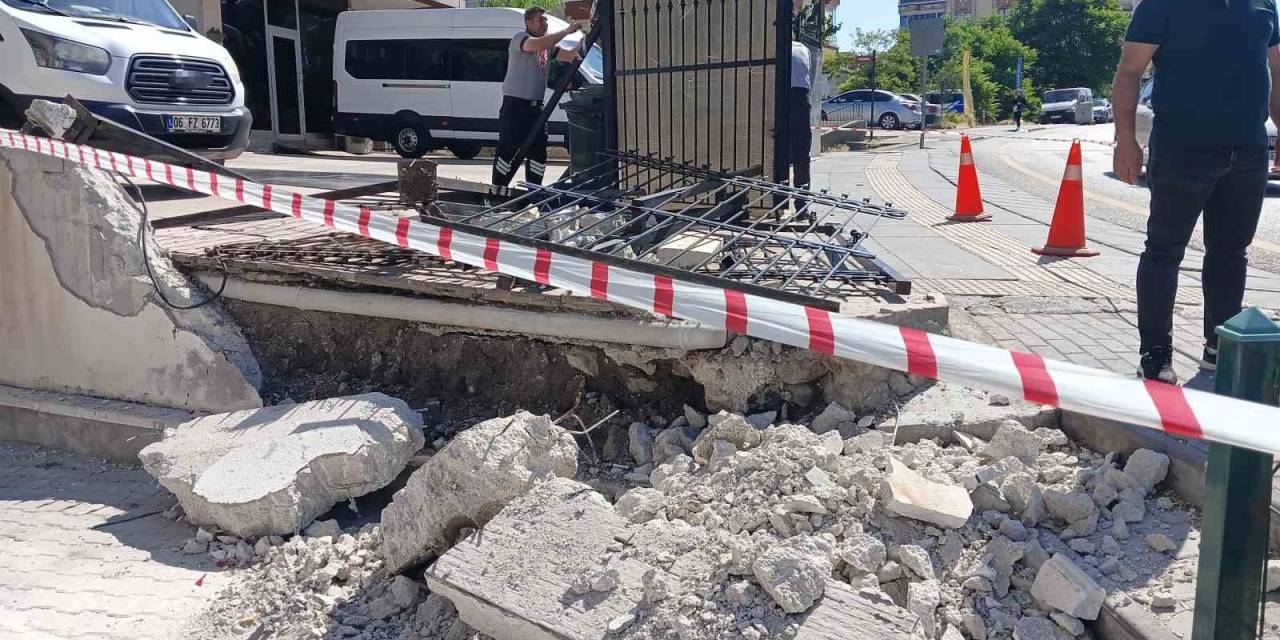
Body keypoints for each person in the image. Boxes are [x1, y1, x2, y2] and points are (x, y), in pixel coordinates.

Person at [1113, 0, 1280, 383]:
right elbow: (1130, 72)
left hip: (1248, 150)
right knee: (1163, 251)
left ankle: (1219, 347)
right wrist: (1126, 139)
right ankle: (1155, 354)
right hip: (1181, 149)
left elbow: (1277, 68)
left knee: (1231, 252)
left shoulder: (1264, 4)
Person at [492, 7, 581, 186]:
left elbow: (570, 55)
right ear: (528, 23)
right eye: (541, 20)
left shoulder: (547, 47)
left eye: (546, 20)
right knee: (507, 150)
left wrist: (585, 37)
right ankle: (498, 191)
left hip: (536, 108)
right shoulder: (521, 39)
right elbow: (538, 44)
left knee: (538, 151)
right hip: (515, 106)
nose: (545, 23)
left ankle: (534, 191)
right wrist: (566, 31)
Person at [789, 40, 813, 211]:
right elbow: (810, 77)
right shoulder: (804, 49)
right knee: (802, 155)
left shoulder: (775, 47)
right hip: (802, 98)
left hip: (781, 95)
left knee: (775, 152)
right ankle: (802, 206)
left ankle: (776, 201)